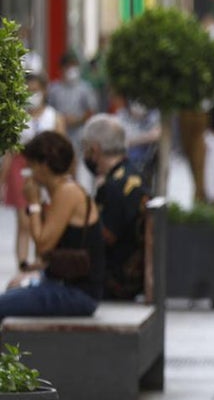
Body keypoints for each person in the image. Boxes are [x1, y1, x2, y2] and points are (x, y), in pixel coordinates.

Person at [0, 131, 104, 320]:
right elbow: (46, 251)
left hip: (76, 293)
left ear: (44, 165)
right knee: (10, 292)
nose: (29, 172)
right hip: (60, 284)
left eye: (31, 166)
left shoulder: (68, 192)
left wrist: (33, 203)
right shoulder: (60, 191)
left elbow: (42, 245)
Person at [81, 115, 151, 301]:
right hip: (129, 275)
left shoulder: (115, 185)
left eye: (85, 149)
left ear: (94, 150)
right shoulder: (133, 173)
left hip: (114, 281)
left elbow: (105, 237)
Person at [0, 74, 65, 271]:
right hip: (22, 167)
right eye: (28, 90)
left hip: (47, 168)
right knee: (24, 220)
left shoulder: (54, 117)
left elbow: (62, 146)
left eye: (36, 90)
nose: (32, 94)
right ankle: (22, 265)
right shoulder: (17, 115)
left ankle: (39, 263)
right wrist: (2, 179)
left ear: (44, 91)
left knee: (44, 217)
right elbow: (10, 151)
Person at [47, 50, 99, 174]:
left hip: (80, 138)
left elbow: (91, 111)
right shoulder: (54, 89)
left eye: (74, 66)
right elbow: (48, 111)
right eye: (68, 66)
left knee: (80, 172)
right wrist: (61, 120)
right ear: (62, 68)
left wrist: (77, 119)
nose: (71, 69)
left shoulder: (85, 88)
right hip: (60, 136)